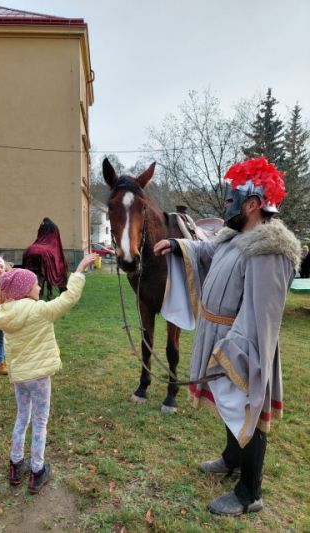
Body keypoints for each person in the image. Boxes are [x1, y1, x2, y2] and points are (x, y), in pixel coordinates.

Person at [154, 156, 301, 517]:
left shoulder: (269, 250)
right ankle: (232, 459)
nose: (225, 205)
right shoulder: (237, 237)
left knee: (247, 407)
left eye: (231, 199)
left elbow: (262, 313)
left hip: (242, 344)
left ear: (252, 205)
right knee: (229, 406)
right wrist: (178, 245)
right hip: (220, 335)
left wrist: (234, 349)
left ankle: (250, 492)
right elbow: (208, 251)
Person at [0, 253, 98, 493]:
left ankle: (15, 465)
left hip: (20, 378)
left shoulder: (5, 314)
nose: (40, 287)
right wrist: (80, 269)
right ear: (24, 290)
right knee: (40, 421)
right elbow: (69, 298)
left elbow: (10, 347)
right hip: (39, 378)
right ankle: (37, 471)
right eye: (35, 284)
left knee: (22, 418)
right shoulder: (40, 310)